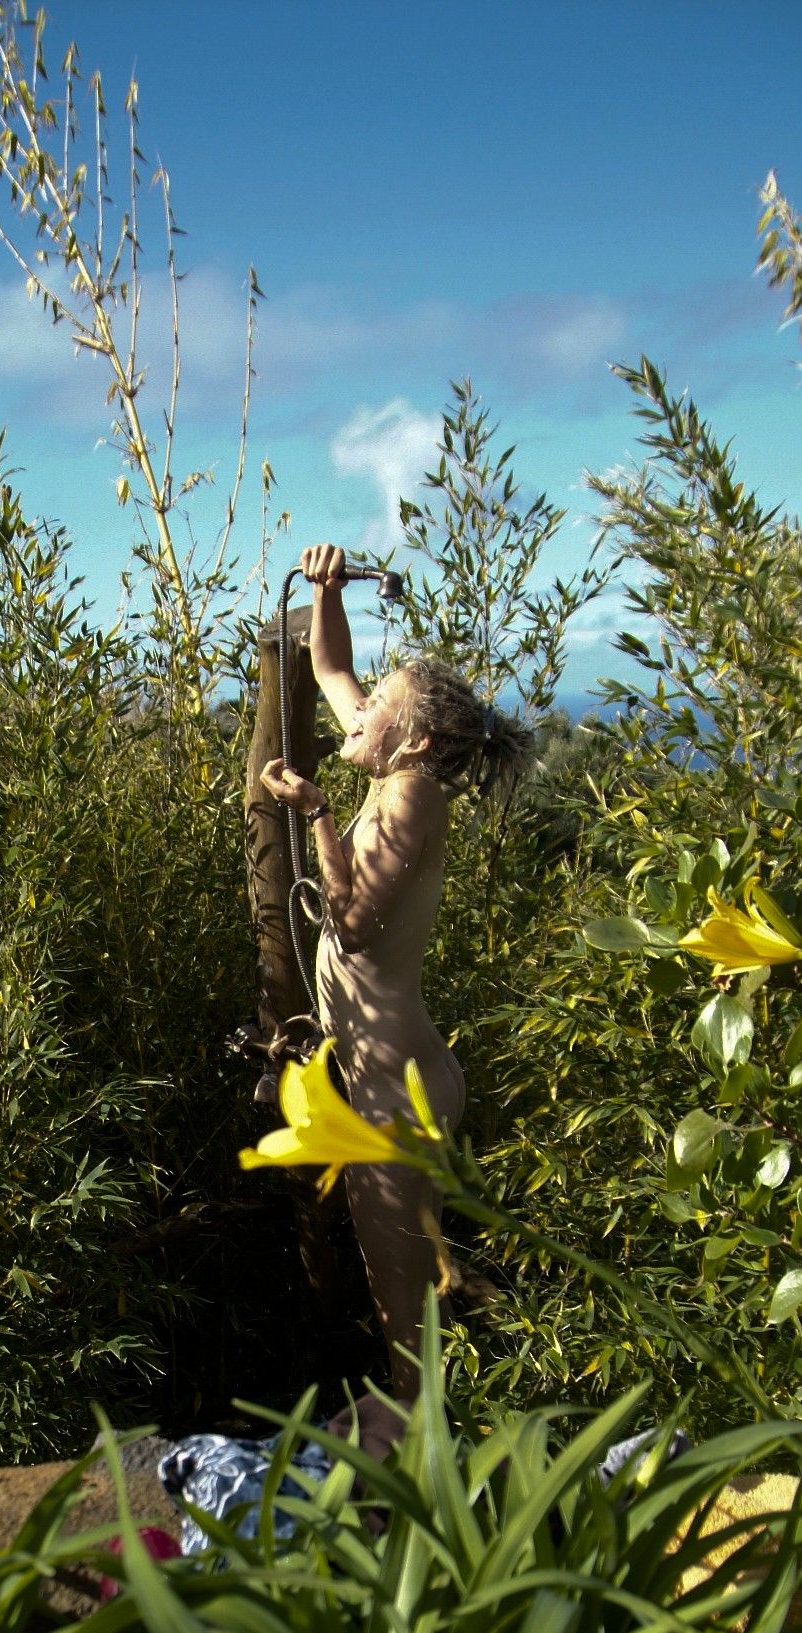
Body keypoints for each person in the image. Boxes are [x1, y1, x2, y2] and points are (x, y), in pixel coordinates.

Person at [260, 541, 532, 1401]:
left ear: (410, 739)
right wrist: (326, 589)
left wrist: (317, 814)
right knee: (414, 1288)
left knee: (402, 1315)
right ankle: (442, 1421)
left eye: (375, 704)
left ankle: (418, 1463)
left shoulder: (409, 795)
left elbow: (351, 922)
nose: (356, 706)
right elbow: (329, 662)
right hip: (397, 1074)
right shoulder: (395, 764)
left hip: (395, 1091)